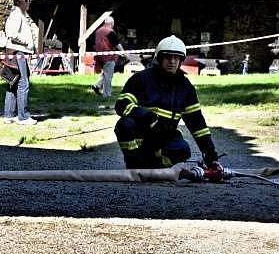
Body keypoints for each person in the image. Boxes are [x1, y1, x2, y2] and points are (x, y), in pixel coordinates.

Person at [114, 35, 220, 169]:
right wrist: (147, 117)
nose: (172, 61)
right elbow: (122, 104)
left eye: (176, 58)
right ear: (159, 58)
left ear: (181, 61)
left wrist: (211, 155)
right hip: (140, 135)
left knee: (183, 150)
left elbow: (198, 125)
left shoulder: (186, 88)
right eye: (168, 57)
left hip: (164, 137)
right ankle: (133, 162)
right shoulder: (141, 79)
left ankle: (149, 166)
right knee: (124, 125)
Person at [3, 0, 37, 125]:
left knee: (14, 82)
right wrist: (27, 42)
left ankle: (9, 115)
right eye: (26, 1)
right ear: (19, 2)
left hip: (16, 52)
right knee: (23, 83)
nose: (28, 3)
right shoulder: (17, 14)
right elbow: (11, 33)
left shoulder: (19, 14)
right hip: (19, 52)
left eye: (29, 1)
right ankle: (23, 117)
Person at [91, 16, 126, 99]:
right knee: (108, 77)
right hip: (108, 57)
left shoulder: (98, 31)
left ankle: (97, 85)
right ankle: (107, 95)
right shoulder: (110, 31)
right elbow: (116, 44)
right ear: (111, 24)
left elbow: (94, 43)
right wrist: (123, 52)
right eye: (113, 24)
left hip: (99, 56)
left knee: (106, 73)